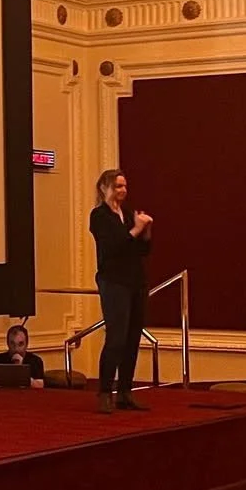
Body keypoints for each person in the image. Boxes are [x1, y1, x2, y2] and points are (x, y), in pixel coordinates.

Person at [90, 169, 152, 415]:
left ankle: (125, 391)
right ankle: (105, 391)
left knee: (132, 338)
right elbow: (115, 246)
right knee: (116, 338)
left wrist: (146, 231)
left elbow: (141, 251)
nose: (122, 191)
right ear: (105, 188)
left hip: (135, 281)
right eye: (117, 186)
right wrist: (136, 230)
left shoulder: (127, 215)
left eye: (125, 186)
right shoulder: (99, 216)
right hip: (113, 282)